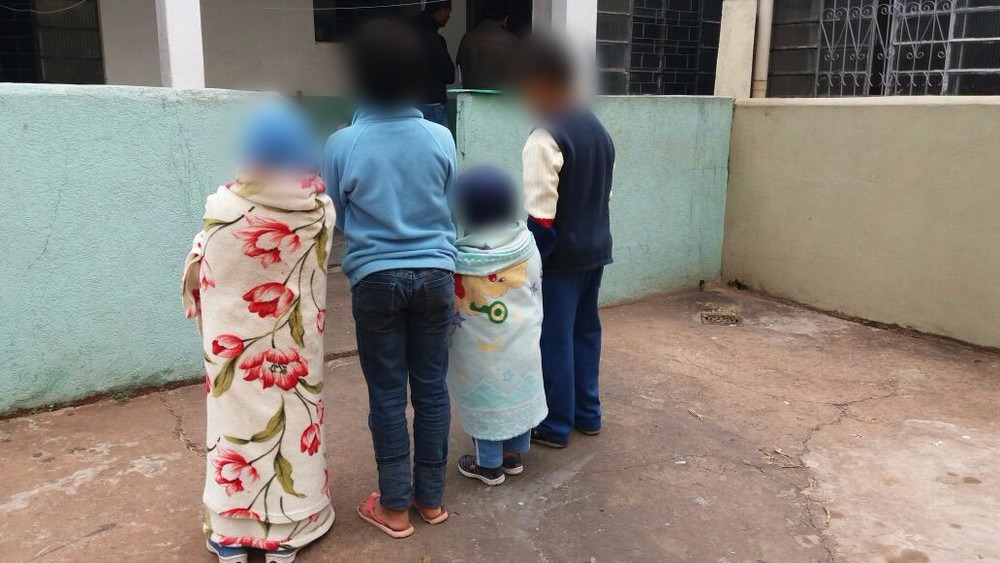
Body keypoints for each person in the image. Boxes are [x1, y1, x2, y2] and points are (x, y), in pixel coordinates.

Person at [182, 100, 336, 563]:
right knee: (294, 419)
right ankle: (287, 533)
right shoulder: (319, 210)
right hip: (293, 349)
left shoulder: (223, 206)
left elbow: (203, 265)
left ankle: (230, 536)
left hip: (233, 349)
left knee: (233, 428)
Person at [323, 20, 457, 539]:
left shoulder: (342, 143)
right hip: (437, 276)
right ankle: (431, 501)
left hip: (375, 281)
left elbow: (329, 216)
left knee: (386, 394)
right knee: (431, 388)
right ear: (417, 77)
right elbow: (452, 208)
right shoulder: (439, 136)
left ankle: (395, 508)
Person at [514, 36, 616, 449]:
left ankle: (556, 424)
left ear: (539, 83)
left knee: (553, 338)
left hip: (560, 259)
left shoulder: (545, 137)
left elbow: (540, 215)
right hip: (596, 249)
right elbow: (605, 194)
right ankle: (588, 414)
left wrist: (528, 265)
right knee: (585, 331)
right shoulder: (598, 129)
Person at [448, 166, 547, 486]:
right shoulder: (527, 244)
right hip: (524, 344)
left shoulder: (462, 261)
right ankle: (514, 456)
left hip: (483, 355)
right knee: (518, 391)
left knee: (488, 400)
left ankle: (488, 466)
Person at [457, 0, 518, 90]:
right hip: (501, 100)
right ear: (505, 19)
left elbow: (460, 69)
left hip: (471, 99)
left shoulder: (466, 38)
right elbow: (519, 77)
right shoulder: (512, 41)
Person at [414, 0, 456, 128]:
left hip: (408, 104)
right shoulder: (435, 40)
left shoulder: (407, 35)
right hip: (433, 104)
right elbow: (450, 76)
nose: (449, 17)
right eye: (448, 12)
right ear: (441, 11)